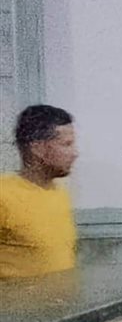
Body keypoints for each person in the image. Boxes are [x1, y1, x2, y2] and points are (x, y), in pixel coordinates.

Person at [1, 105, 78, 279]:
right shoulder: (4, 195)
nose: (75, 153)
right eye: (67, 144)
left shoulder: (60, 194)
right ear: (37, 149)